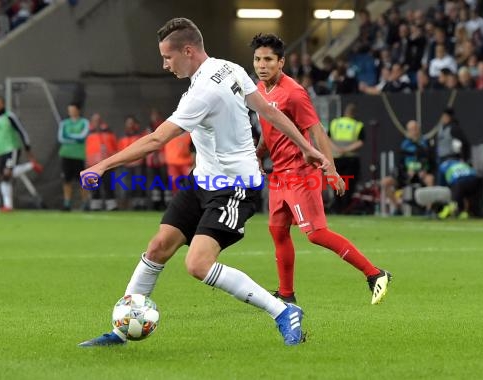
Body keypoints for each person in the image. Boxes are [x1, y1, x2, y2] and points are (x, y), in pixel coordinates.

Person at [78, 17, 330, 347]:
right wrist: (307, 147)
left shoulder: (201, 93)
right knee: (158, 247)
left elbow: (156, 140)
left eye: (168, 58)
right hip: (203, 182)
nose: (164, 65)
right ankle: (123, 328)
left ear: (188, 50)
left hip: (234, 188)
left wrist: (103, 165)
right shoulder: (230, 68)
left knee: (197, 264)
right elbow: (268, 112)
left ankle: (283, 311)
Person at [250, 33, 391, 305]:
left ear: (281, 62)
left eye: (268, 59)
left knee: (315, 234)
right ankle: (287, 295)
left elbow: (317, 130)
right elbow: (270, 129)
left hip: (301, 173)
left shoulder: (294, 92)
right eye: (257, 59)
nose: (262, 65)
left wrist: (331, 170)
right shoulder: (258, 90)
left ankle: (375, 273)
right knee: (277, 232)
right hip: (279, 175)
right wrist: (259, 154)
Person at [0, 96, 42, 211]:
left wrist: (27, 147)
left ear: (3, 104)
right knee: (5, 177)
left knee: (7, 173)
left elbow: (22, 131)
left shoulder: (10, 116)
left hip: (12, 148)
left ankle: (8, 205)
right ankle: (8, 206)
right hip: (0, 151)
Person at [381, 120, 434, 214]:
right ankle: (397, 208)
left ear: (419, 130)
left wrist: (424, 170)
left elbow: (431, 161)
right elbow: (399, 163)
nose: (414, 131)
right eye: (411, 129)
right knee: (385, 182)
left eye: (415, 129)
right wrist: (405, 172)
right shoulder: (404, 144)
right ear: (408, 131)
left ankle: (429, 209)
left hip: (420, 175)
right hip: (406, 175)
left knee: (430, 179)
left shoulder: (425, 143)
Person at [328, 103, 365, 214]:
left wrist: (337, 149)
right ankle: (346, 207)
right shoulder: (357, 125)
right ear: (354, 114)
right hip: (350, 158)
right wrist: (346, 149)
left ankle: (337, 207)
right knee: (349, 184)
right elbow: (360, 142)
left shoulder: (335, 123)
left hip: (336, 157)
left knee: (336, 183)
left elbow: (327, 138)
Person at [58, 103, 89, 211]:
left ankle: (85, 203)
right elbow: (61, 138)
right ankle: (67, 203)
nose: (71, 112)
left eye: (73, 109)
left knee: (83, 180)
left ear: (78, 110)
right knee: (67, 180)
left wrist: (69, 136)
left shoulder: (84, 122)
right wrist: (75, 138)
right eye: (69, 110)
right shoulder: (64, 123)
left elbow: (82, 137)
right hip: (66, 154)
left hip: (79, 155)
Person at [85, 113, 117, 211]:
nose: (97, 122)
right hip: (93, 164)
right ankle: (96, 205)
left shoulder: (109, 133)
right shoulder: (88, 134)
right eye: (95, 120)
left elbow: (114, 146)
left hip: (107, 163)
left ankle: (111, 205)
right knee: (94, 186)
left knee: (109, 184)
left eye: (98, 120)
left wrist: (114, 160)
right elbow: (86, 149)